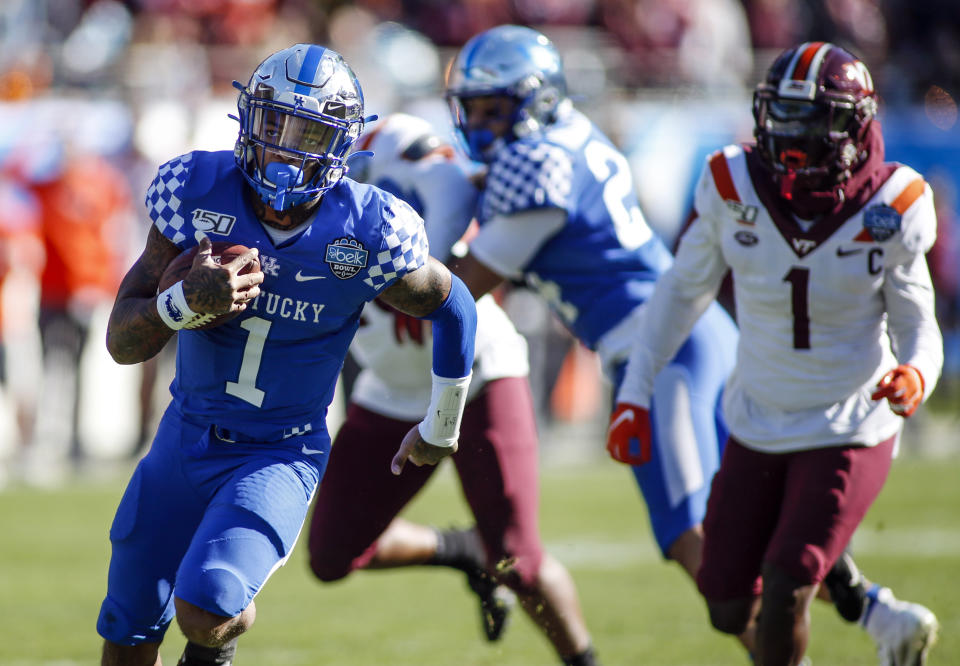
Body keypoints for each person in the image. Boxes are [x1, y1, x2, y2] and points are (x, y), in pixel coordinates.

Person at [442, 25, 939, 665]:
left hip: (662, 345)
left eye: (493, 108)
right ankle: (875, 610)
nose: (478, 122)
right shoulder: (568, 139)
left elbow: (460, 290)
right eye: (472, 107)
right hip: (699, 333)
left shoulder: (536, 165)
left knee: (691, 539)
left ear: (533, 100)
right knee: (750, 519)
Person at [96, 44, 478, 666]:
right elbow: (121, 342)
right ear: (249, 120)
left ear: (345, 144)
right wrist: (184, 303)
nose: (284, 147)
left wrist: (442, 425)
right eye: (274, 124)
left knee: (208, 605)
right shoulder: (195, 190)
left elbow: (454, 304)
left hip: (278, 451)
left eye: (309, 132)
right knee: (127, 630)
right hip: (184, 436)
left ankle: (216, 645)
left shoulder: (368, 229)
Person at [613, 41, 942, 665]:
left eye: (810, 118)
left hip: (849, 420)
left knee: (790, 581)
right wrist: (634, 393)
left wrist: (917, 373)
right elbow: (679, 293)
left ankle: (856, 606)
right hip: (757, 419)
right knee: (725, 602)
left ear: (852, 124)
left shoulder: (894, 202)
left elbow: (918, 322)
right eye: (781, 117)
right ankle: (881, 617)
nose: (790, 135)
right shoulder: (729, 182)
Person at [306, 112, 599, 665]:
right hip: (391, 389)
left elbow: (452, 186)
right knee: (330, 554)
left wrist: (414, 255)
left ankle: (584, 660)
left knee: (519, 561)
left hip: (477, 376)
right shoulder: (289, 200)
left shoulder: (386, 152)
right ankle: (463, 549)